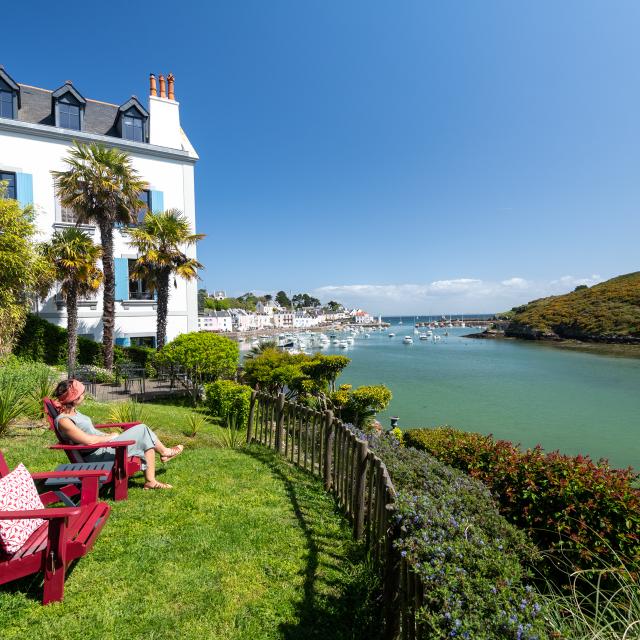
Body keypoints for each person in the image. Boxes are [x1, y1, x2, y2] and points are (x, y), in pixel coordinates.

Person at [52, 379, 183, 490]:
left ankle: (151, 480)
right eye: (82, 393)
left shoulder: (73, 412)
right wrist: (110, 437)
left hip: (103, 447)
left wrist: (106, 436)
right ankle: (164, 453)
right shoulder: (64, 421)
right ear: (74, 399)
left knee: (145, 436)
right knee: (142, 429)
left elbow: (89, 434)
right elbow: (88, 441)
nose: (84, 394)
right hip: (97, 457)